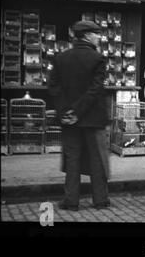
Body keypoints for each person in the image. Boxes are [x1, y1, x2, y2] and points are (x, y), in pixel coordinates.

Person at [48, 20, 110, 211]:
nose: (99, 37)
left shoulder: (60, 58)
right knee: (97, 159)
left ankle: (71, 201)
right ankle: (100, 200)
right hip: (92, 119)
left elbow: (54, 88)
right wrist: (78, 110)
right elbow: (95, 90)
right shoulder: (98, 59)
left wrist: (67, 111)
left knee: (72, 159)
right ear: (86, 35)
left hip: (68, 120)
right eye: (96, 33)